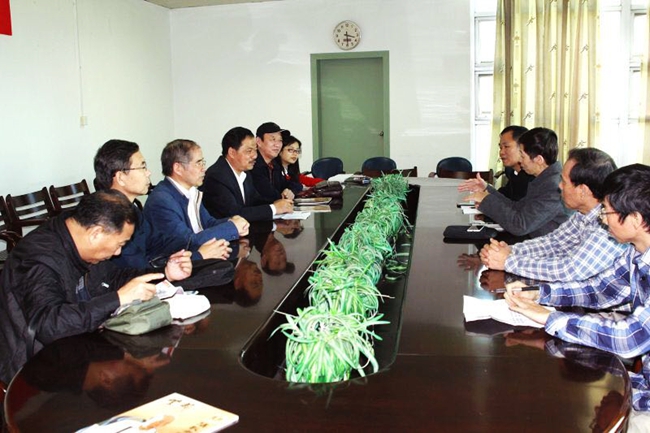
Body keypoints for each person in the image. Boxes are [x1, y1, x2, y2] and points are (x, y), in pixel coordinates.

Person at [0, 190, 192, 384]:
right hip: (34, 372)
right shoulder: (38, 259)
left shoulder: (79, 238)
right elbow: (49, 326)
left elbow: (114, 278)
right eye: (120, 244)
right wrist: (118, 298)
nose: (118, 252)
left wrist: (165, 274)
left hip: (77, 348)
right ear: (96, 233)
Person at [503, 164, 650, 413]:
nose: (603, 220)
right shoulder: (637, 253)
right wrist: (540, 293)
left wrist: (549, 317)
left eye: (607, 212)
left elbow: (629, 338)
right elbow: (600, 290)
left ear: (635, 219)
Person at [480, 148, 625, 282]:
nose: (559, 186)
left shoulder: (609, 224)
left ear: (583, 190)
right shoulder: (583, 215)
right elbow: (553, 243)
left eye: (564, 182)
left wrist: (508, 261)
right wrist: (508, 251)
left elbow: (569, 270)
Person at [94, 139, 232, 266]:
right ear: (121, 177)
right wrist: (199, 256)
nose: (148, 173)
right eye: (142, 167)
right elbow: (139, 268)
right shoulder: (110, 219)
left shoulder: (131, 209)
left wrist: (198, 249)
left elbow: (159, 242)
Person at [143, 139, 250, 259]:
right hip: (176, 264)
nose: (204, 169)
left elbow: (208, 223)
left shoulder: (191, 191)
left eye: (203, 163)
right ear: (178, 168)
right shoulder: (162, 201)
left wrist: (231, 221)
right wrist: (232, 228)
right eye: (198, 163)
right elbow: (187, 242)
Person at [464, 127, 569, 238]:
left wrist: (486, 200)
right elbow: (516, 207)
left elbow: (520, 225)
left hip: (549, 247)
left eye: (523, 156)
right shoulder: (544, 180)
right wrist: (487, 189)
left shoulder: (553, 186)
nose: (520, 161)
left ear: (539, 160)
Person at [201, 127, 293, 222]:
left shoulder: (245, 173)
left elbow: (255, 201)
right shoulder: (217, 176)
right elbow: (234, 214)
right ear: (232, 152)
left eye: (255, 150)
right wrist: (273, 208)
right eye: (249, 151)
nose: (255, 155)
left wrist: (278, 203)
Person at [459, 125, 533, 201]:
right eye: (500, 148)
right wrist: (485, 188)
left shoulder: (532, 178)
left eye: (506, 146)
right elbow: (503, 198)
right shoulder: (514, 174)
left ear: (523, 147)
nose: (501, 152)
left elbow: (514, 206)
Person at [251, 122, 302, 202]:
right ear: (259, 141)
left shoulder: (274, 165)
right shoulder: (252, 164)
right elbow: (268, 195)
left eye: (280, 140)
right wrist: (283, 196)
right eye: (273, 139)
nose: (277, 145)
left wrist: (290, 191)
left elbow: (295, 184)